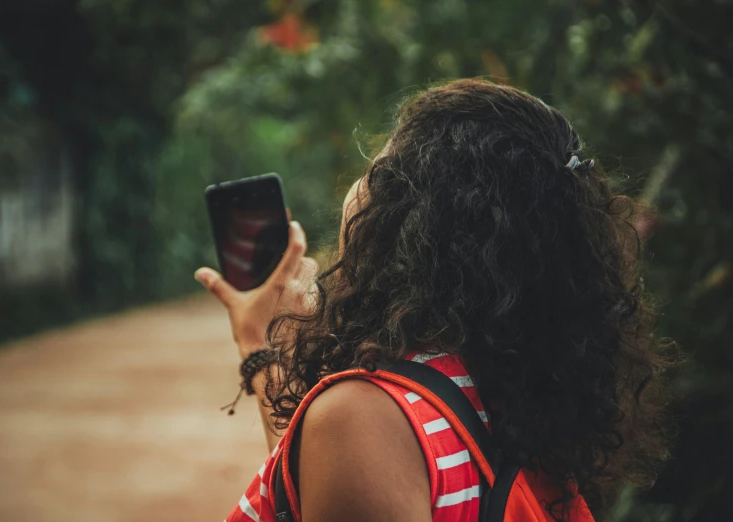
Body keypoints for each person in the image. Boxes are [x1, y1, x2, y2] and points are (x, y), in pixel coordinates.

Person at [194, 79, 673, 522]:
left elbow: (362, 461)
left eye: (374, 171)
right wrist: (261, 345)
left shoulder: (362, 418)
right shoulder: (511, 392)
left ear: (407, 216)